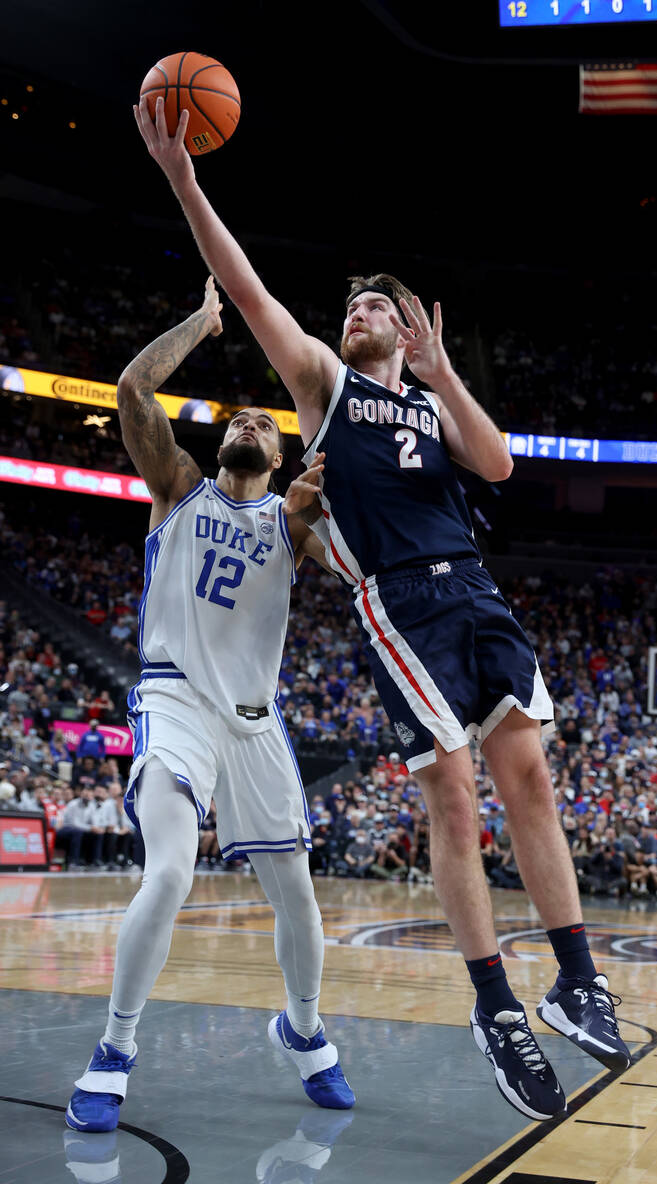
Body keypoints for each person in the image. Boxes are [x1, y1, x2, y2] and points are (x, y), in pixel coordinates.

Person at [134, 97, 632, 1123]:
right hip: (398, 605)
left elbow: (497, 462)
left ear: (407, 328)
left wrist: (448, 374)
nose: (354, 308)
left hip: (475, 591)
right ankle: (495, 1004)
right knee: (452, 793)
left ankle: (578, 978)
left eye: (373, 304)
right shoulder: (325, 385)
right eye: (350, 301)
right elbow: (249, 286)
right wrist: (186, 179)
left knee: (528, 775)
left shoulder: (431, 398)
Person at [65, 278, 354, 1136]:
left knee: (296, 897)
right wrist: (203, 319)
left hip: (255, 721)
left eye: (266, 422)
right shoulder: (179, 486)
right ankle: (114, 1051)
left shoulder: (294, 521)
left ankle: (301, 1031)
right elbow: (131, 393)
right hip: (175, 699)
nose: (250, 423)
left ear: (281, 453)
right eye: (239, 418)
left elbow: (356, 572)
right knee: (170, 871)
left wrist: (332, 506)